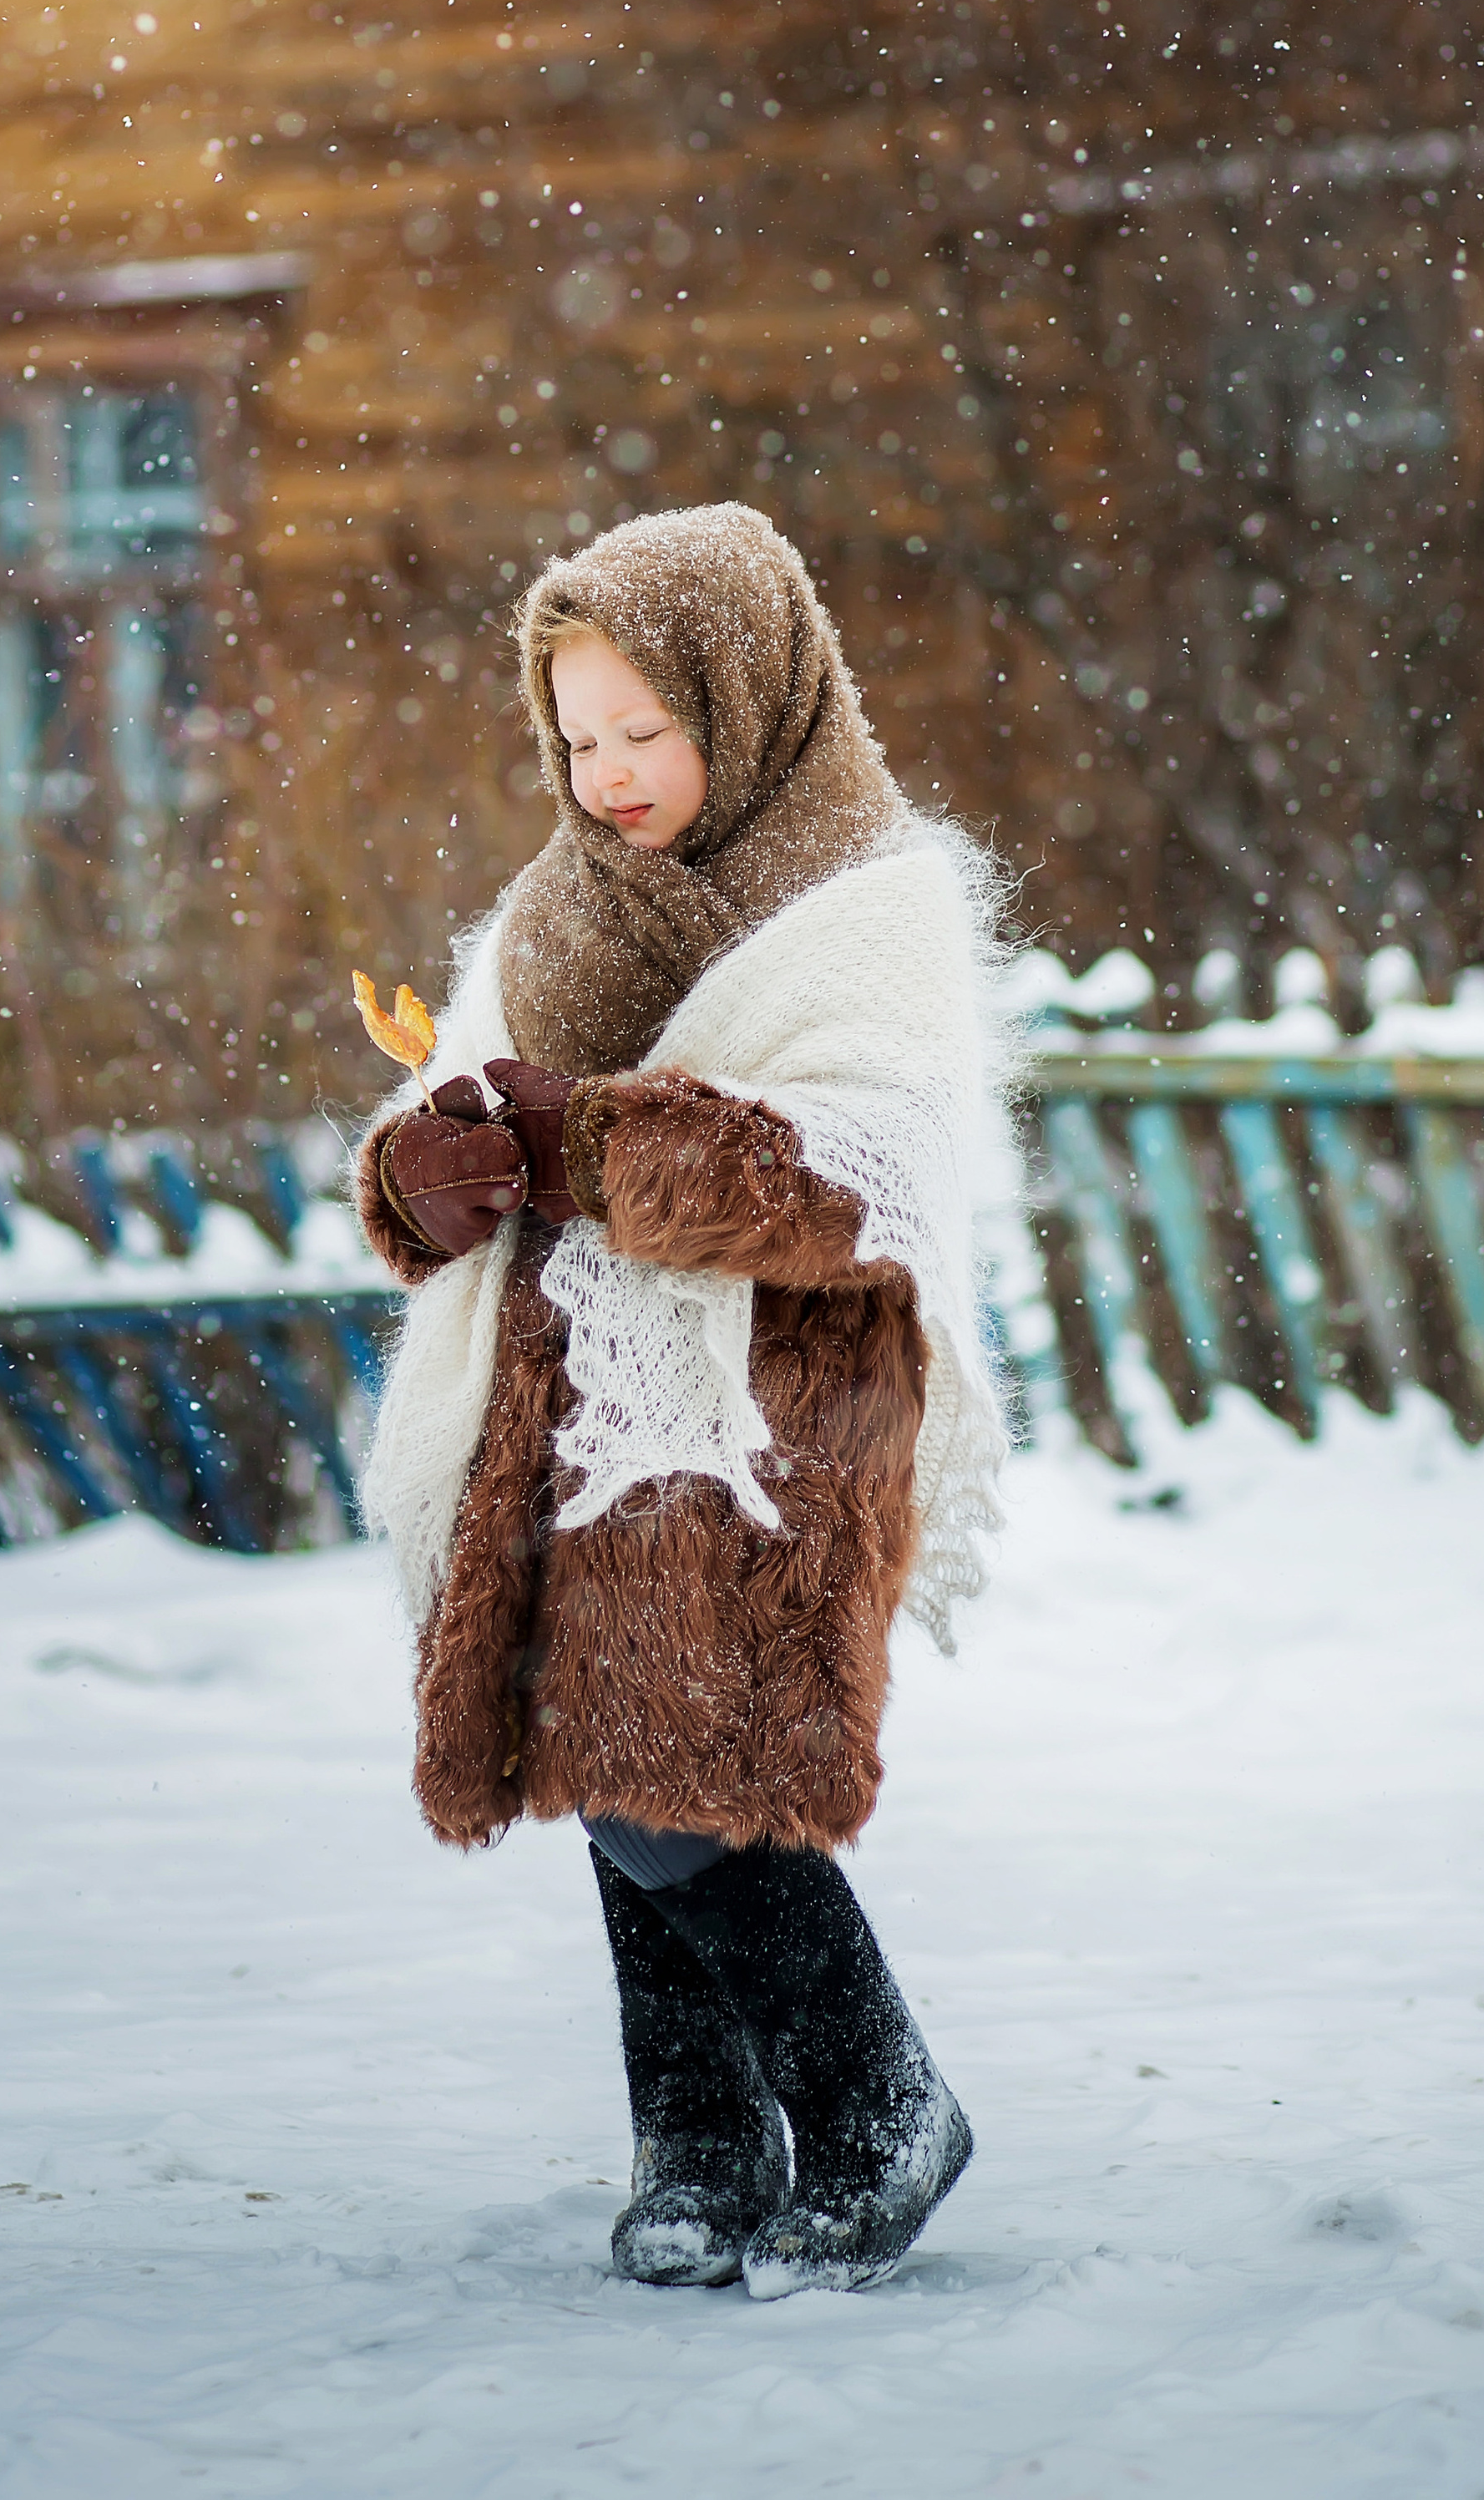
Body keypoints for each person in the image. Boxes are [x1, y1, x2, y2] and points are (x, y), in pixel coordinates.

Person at [354, 504, 1006, 2298]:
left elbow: (857, 1177)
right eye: (577, 738)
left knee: (671, 1757)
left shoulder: (868, 904)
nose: (610, 773)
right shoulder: (556, 913)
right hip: (560, 1391)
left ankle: (876, 2100)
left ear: (751, 691)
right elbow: (449, 1102)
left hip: (764, 1397)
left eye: (647, 727)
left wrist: (601, 1142)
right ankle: (701, 2146)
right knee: (598, 1742)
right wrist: (429, 1176)